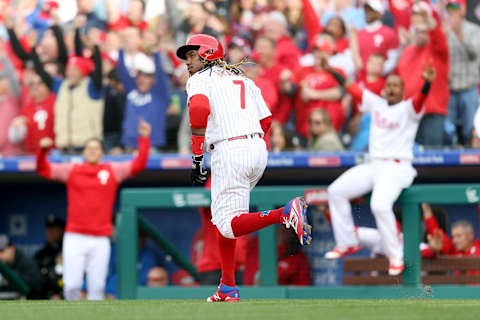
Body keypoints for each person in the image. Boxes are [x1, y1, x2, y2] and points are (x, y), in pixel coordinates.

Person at [176, 34, 311, 302]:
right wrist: (256, 151)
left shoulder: (200, 79)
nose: (186, 63)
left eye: (191, 56)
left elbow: (200, 108)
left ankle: (285, 212)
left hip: (229, 150)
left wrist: (196, 158)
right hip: (256, 148)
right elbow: (266, 120)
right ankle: (227, 286)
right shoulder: (243, 80)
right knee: (224, 217)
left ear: (206, 55)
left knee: (226, 224)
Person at [321, 56, 436, 276]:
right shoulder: (377, 104)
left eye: (396, 86)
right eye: (389, 85)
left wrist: (427, 84)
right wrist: (330, 71)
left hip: (397, 166)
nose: (391, 89)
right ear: (384, 89)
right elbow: (351, 87)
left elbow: (420, 100)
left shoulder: (408, 108)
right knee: (336, 191)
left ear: (403, 90)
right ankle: (347, 242)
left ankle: (395, 257)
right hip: (374, 165)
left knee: (379, 205)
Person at [35, 119, 151, 300]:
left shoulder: (112, 170)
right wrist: (42, 150)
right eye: (89, 148)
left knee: (97, 288)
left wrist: (144, 139)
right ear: (84, 152)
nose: (92, 151)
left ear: (102, 152)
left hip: (100, 238)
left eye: (96, 148)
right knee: (72, 286)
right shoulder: (72, 170)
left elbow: (138, 165)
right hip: (75, 236)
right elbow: (43, 169)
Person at [396, 3, 449, 147]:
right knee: (406, 156)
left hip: (431, 112)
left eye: (423, 30)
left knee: (433, 159)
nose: (419, 33)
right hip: (408, 113)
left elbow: (437, 34)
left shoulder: (438, 49)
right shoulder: (406, 51)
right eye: (416, 30)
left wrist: (428, 18)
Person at [117, 46, 170, 152]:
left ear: (153, 79)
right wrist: (121, 51)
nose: (141, 79)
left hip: (151, 146)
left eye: (146, 76)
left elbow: (160, 74)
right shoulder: (131, 90)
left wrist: (155, 54)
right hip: (129, 146)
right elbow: (122, 72)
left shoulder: (159, 93)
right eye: (139, 76)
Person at [444, 0, 480, 146]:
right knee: (447, 130)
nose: (452, 12)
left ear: (463, 10)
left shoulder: (474, 30)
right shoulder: (445, 30)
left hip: (468, 88)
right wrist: (443, 35)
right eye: (449, 8)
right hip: (449, 89)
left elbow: (474, 53)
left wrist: (459, 33)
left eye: (455, 8)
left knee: (469, 131)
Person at [0, 234, 43, 299]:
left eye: (2, 251)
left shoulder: (27, 263)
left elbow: (36, 286)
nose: (0, 255)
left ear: (12, 249)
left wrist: (10, 276)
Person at [34, 214, 65, 299]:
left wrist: (61, 295)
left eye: (54, 229)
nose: (50, 232)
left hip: (65, 297)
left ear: (62, 230)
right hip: (44, 298)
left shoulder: (69, 253)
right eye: (48, 229)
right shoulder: (40, 254)